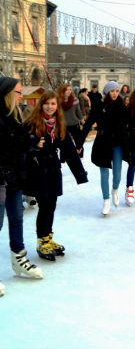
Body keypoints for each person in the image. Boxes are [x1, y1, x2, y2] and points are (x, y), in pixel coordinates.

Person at [23, 91, 88, 261]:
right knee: (44, 206)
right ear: (41, 104)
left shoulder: (59, 125)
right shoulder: (32, 123)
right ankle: (42, 241)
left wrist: (80, 174)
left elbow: (70, 151)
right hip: (38, 170)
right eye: (47, 103)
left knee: (51, 205)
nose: (50, 107)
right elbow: (20, 145)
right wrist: (33, 145)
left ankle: (48, 238)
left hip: (53, 169)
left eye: (53, 104)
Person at [0, 77, 43, 294]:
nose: (21, 96)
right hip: (0, 178)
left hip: (14, 177)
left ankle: (19, 260)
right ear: (8, 94)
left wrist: (32, 141)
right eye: (18, 92)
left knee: (16, 218)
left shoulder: (16, 115)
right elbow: (7, 146)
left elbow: (17, 144)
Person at [91, 81, 128, 216]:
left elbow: (128, 121)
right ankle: (106, 200)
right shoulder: (100, 105)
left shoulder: (121, 106)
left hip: (117, 143)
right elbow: (90, 120)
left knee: (117, 173)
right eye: (112, 91)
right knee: (104, 173)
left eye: (117, 91)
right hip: (103, 143)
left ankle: (115, 190)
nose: (115, 93)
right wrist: (78, 142)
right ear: (107, 92)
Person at [57, 84, 84, 155]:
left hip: (74, 123)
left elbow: (78, 111)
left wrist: (81, 119)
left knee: (78, 140)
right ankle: (63, 157)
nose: (69, 91)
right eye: (66, 90)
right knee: (63, 142)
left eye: (70, 89)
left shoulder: (75, 100)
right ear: (62, 91)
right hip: (63, 124)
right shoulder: (58, 101)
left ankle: (80, 155)